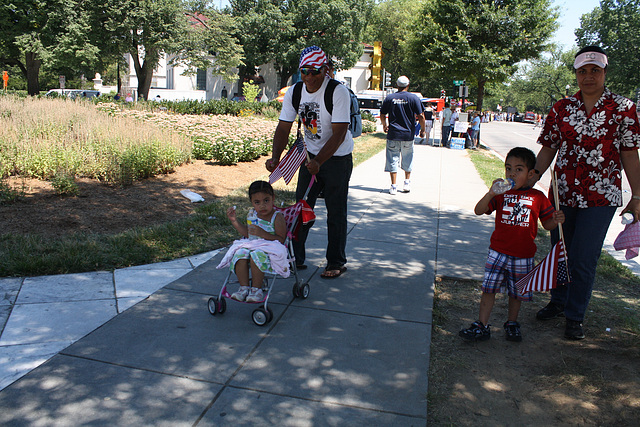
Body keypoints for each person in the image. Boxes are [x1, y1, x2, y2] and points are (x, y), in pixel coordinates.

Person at [532, 46, 640, 340]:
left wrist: (638, 195)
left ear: (605, 73)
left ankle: (575, 316)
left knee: (584, 257)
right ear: (576, 74)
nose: (588, 76)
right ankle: (558, 301)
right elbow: (548, 149)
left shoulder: (623, 108)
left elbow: (630, 154)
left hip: (601, 197)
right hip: (563, 194)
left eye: (595, 70)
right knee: (561, 251)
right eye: (583, 71)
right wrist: (530, 180)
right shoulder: (561, 108)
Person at [460, 147, 565, 342]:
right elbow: (479, 210)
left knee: (516, 293)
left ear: (531, 174)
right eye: (508, 168)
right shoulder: (501, 194)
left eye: (519, 169)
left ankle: (512, 322)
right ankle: (482, 325)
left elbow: (548, 224)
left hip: (523, 254)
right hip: (497, 252)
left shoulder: (538, 197)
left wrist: (557, 220)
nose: (512, 174)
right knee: (489, 289)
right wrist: (490, 193)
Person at [266, 46, 353, 279]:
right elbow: (283, 126)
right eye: (305, 71)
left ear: (325, 70)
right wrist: (276, 156)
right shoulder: (295, 92)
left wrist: (320, 161)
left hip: (337, 159)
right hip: (309, 157)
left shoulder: (337, 92)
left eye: (315, 72)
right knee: (301, 210)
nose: (309, 77)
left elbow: (339, 133)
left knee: (336, 212)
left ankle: (336, 261)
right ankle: (296, 257)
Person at [224, 181, 287, 303]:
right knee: (240, 254)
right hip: (253, 244)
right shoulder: (252, 214)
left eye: (266, 201)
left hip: (270, 249)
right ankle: (244, 288)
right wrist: (234, 221)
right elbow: (248, 233)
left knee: (256, 255)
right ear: (252, 202)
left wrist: (263, 234)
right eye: (257, 202)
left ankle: (256, 290)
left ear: (273, 198)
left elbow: (281, 240)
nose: (262, 206)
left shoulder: (277, 217)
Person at [380, 75, 425, 195]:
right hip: (408, 134)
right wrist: (423, 130)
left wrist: (384, 125)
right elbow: (421, 116)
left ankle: (393, 186)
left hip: (393, 134)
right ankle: (406, 183)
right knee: (408, 158)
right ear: (408, 85)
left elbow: (383, 114)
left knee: (392, 159)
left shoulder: (390, 98)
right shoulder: (413, 98)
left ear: (397, 85)